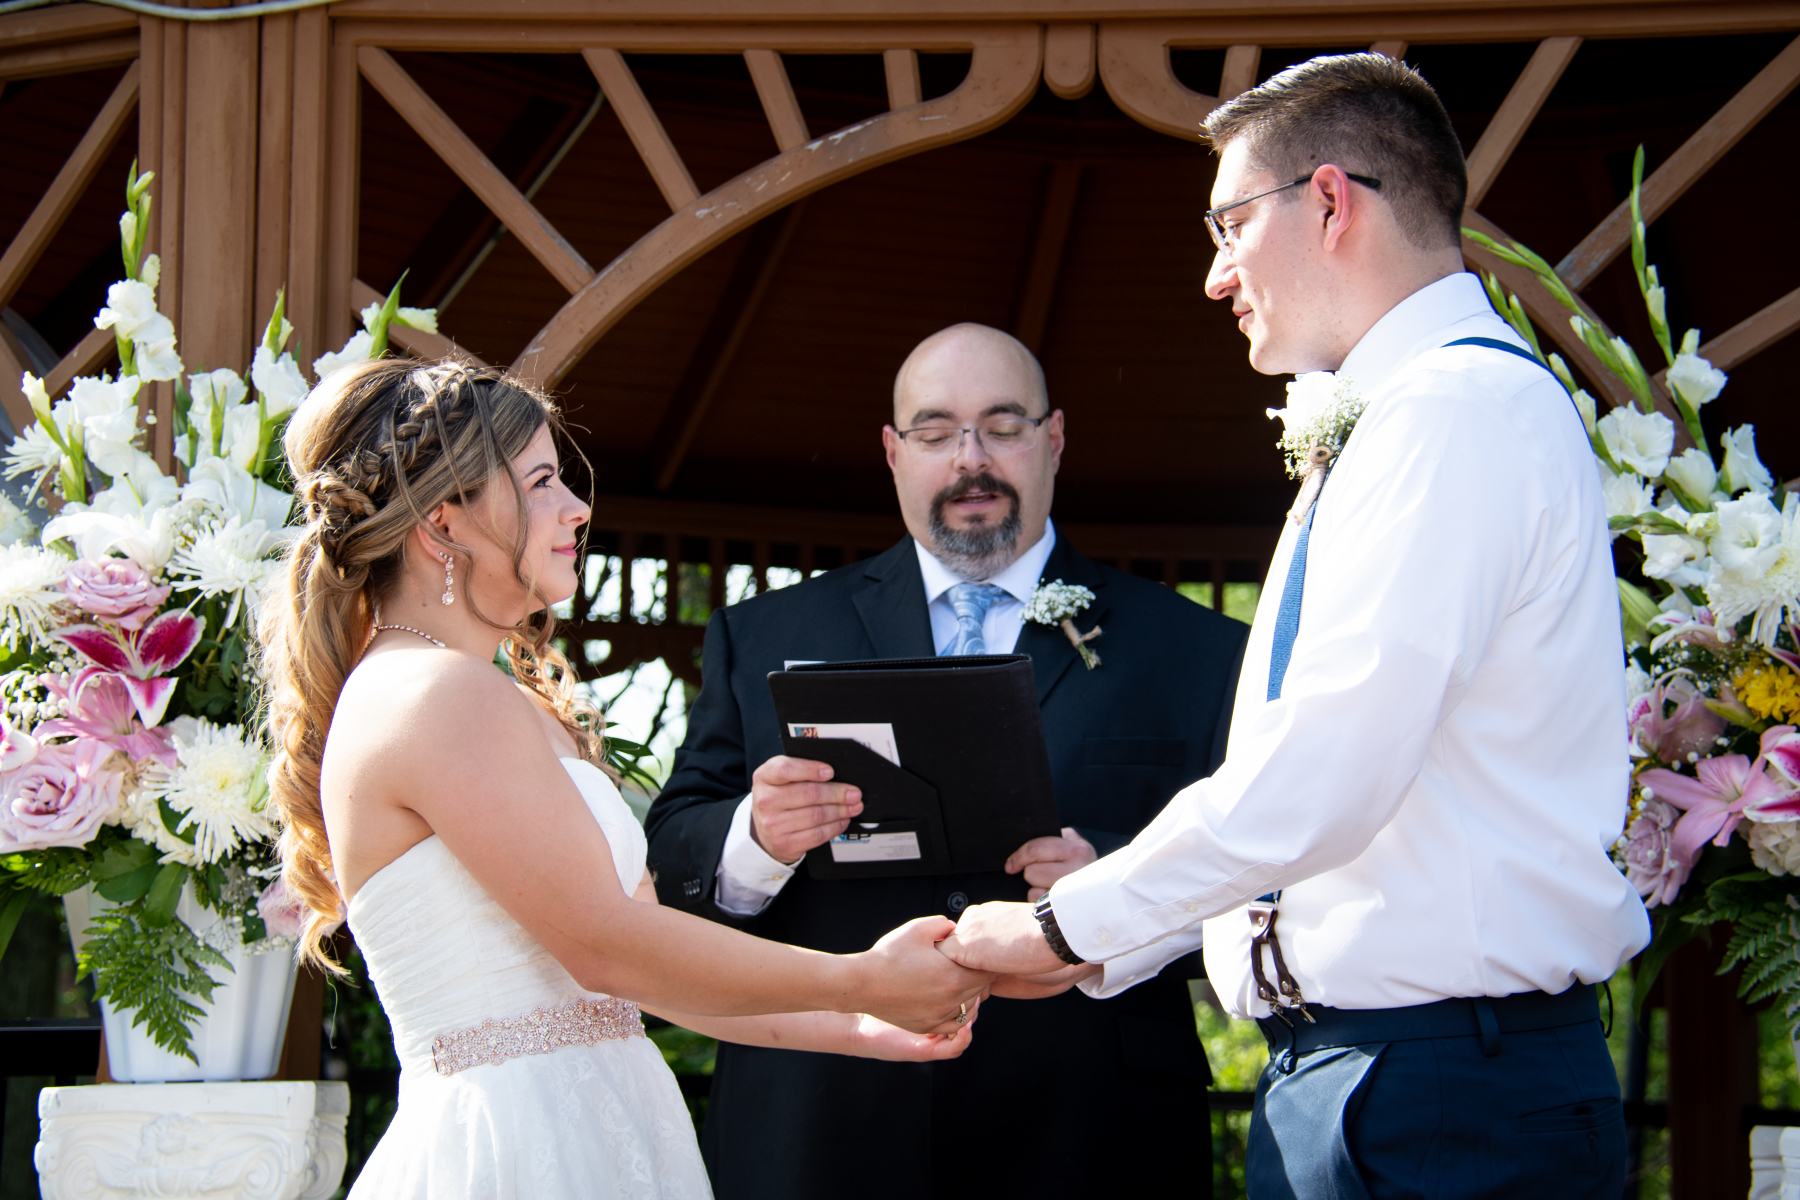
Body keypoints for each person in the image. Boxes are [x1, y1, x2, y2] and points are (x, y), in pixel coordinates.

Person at [939, 54, 1651, 1198]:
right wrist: (1116, 934)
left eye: (1229, 226)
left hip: (1443, 1092)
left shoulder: (1455, 413)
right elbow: (1355, 816)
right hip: (1377, 1078)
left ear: (1328, 202)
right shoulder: (1408, 416)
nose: (1215, 276)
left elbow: (1326, 773)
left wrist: (1065, 928)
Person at [263, 359, 995, 1199]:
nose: (576, 508)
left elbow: (646, 963)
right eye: (540, 482)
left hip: (603, 1127)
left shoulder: (496, 700)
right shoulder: (433, 693)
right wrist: (858, 976)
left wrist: (857, 1026)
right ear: (443, 523)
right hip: (512, 1147)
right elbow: (605, 947)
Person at [644, 323, 1248, 1199]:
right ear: (893, 453)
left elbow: (1263, 870)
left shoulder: (1195, 650)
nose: (971, 460)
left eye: (1003, 427)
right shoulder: (765, 633)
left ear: (1054, 439)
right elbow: (671, 859)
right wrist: (756, 837)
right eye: (935, 433)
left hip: (1092, 1129)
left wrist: (1117, 882)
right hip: (823, 1125)